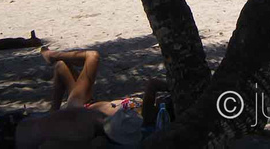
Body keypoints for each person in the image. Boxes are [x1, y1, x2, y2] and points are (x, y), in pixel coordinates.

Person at [15, 47, 171, 148]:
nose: (164, 99)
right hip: (88, 105)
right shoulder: (148, 109)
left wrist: (174, 86)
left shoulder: (152, 114)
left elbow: (153, 84)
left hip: (80, 113)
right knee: (61, 67)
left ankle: (51, 55)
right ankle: (53, 110)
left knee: (92, 56)